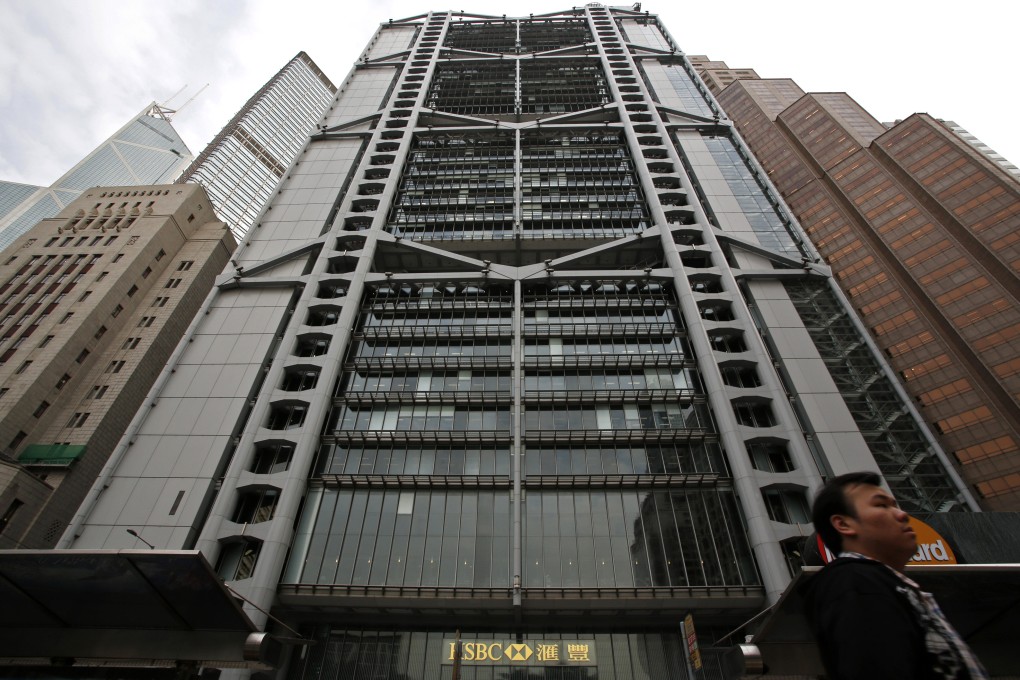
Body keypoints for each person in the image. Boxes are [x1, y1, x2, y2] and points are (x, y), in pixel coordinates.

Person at [804, 471, 987, 680]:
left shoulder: (886, 585)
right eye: (881, 505)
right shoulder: (854, 582)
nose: (902, 514)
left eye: (894, 505)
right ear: (843, 524)